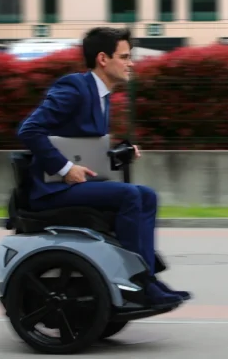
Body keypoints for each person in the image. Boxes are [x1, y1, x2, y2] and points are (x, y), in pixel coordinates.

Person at [17, 26, 190, 306]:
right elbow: (29, 130)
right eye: (124, 56)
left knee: (147, 195)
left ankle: (147, 278)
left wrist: (117, 154)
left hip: (73, 184)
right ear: (103, 59)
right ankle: (139, 281)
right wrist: (64, 169)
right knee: (130, 195)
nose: (131, 63)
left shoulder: (100, 95)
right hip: (51, 190)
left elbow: (82, 149)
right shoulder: (74, 87)